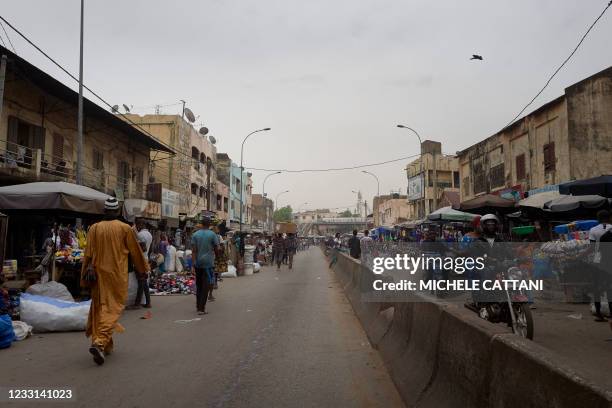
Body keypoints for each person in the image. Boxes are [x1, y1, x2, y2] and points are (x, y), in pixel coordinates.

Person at [80, 197, 149, 365]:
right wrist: (143, 270)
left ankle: (106, 345)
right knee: (112, 309)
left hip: (97, 275)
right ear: (117, 211)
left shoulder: (94, 228)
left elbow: (87, 254)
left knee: (100, 307)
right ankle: (99, 342)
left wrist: (85, 275)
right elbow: (135, 252)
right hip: (116, 276)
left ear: (104, 211)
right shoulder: (125, 228)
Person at [191, 217, 219, 315]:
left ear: (201, 224)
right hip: (208, 264)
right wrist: (217, 256)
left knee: (199, 286)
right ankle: (201, 309)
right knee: (205, 287)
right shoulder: (212, 234)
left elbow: (194, 251)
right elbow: (216, 248)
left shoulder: (195, 234)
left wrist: (193, 264)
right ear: (209, 224)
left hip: (198, 264)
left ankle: (198, 306)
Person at [589, 210, 611, 322]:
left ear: (598, 218)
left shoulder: (593, 230)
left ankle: (598, 314)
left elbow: (592, 248)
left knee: (597, 287)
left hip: (598, 260)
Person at [133, 219, 153, 309]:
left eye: (137, 225)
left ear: (141, 224)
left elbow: (142, 249)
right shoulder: (149, 234)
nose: (137, 227)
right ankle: (144, 302)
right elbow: (149, 250)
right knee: (143, 281)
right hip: (145, 259)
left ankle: (139, 303)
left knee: (142, 281)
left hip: (140, 260)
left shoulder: (140, 235)